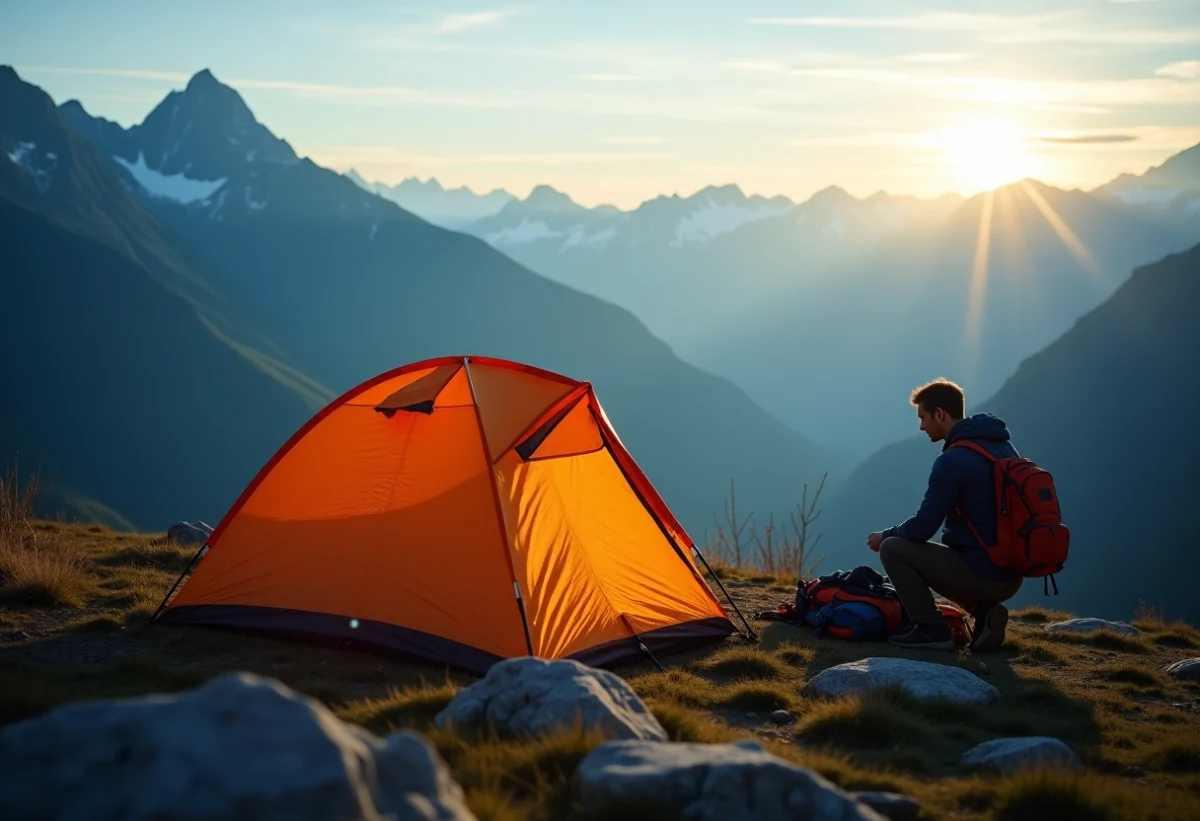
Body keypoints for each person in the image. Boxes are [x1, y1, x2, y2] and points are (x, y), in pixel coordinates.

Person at [866, 378, 1023, 652]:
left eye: (923, 417)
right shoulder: (1001, 448)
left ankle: (931, 630)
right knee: (960, 557)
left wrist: (885, 535)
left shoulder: (954, 459)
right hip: (1012, 573)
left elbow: (923, 527)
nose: (921, 426)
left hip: (982, 574)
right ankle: (985, 613)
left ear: (940, 413)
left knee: (893, 549)